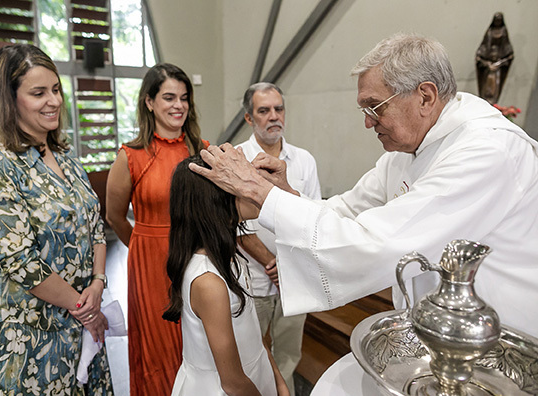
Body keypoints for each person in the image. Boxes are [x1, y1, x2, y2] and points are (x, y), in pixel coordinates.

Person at [192, 33, 538, 337]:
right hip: (439, 324)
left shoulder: (487, 150)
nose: (368, 123)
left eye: (375, 107)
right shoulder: (407, 150)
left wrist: (259, 191)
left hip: (498, 334)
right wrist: (285, 195)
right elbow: (346, 209)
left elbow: (382, 243)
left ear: (425, 97)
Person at [0, 44, 112, 395]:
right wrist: (83, 307)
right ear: (9, 100)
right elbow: (20, 262)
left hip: (82, 315)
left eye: (56, 90)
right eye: (38, 93)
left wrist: (98, 284)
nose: (54, 101)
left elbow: (95, 227)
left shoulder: (65, 156)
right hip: (28, 328)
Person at [104, 62, 207, 395]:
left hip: (195, 255)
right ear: (149, 102)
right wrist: (142, 247)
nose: (178, 105)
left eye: (184, 97)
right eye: (168, 97)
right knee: (158, 348)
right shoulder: (131, 155)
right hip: (150, 263)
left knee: (197, 340)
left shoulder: (202, 149)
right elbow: (114, 215)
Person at [164, 157, 288, 396]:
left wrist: (278, 380)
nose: (252, 188)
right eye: (238, 185)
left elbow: (254, 332)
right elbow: (232, 382)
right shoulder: (208, 282)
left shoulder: (231, 257)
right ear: (216, 203)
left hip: (255, 374)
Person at [233, 82, 319, 394]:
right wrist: (271, 262)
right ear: (248, 118)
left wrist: (289, 265)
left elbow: (312, 215)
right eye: (263, 110)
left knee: (288, 351)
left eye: (278, 109)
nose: (273, 116)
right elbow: (234, 224)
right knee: (249, 352)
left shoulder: (304, 160)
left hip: (294, 278)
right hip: (253, 277)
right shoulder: (236, 159)